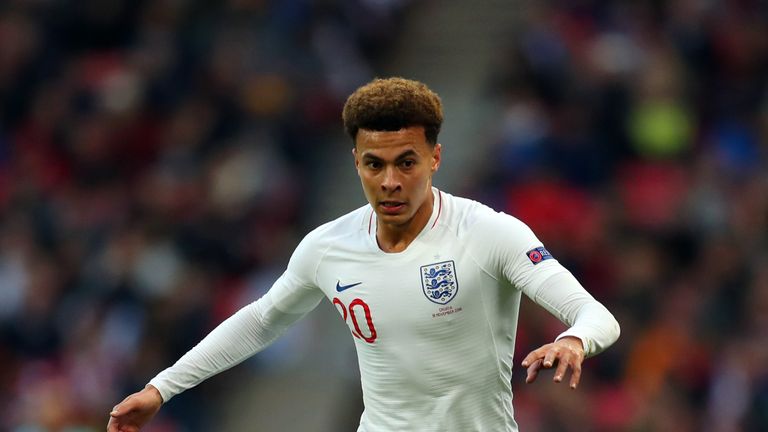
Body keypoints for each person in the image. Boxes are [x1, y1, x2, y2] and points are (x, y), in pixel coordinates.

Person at [107, 77, 620, 432]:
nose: (390, 181)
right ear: (355, 162)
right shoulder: (328, 248)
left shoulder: (490, 234)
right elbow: (262, 320)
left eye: (406, 162)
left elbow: (595, 314)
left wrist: (575, 339)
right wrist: (161, 389)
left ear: (435, 158)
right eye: (374, 164)